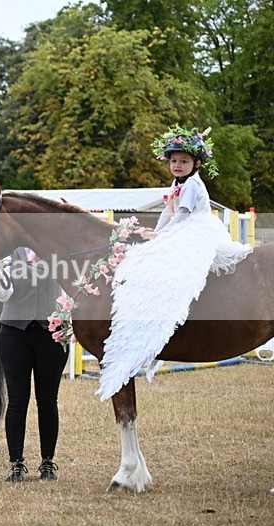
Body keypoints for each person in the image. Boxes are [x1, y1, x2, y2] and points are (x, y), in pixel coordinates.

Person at [97, 126, 254, 400]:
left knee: (177, 271)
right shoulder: (176, 185)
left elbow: (181, 216)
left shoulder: (193, 185)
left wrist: (162, 237)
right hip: (180, 228)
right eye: (173, 161)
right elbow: (166, 215)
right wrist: (152, 235)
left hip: (195, 231)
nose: (177, 166)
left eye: (183, 161)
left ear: (196, 164)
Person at [0, 248, 68, 482]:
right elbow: (4, 294)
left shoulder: (56, 246)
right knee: (17, 400)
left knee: (47, 400)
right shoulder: (10, 252)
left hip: (52, 332)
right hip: (14, 331)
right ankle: (16, 463)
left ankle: (48, 462)